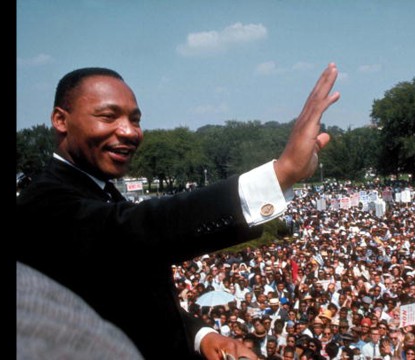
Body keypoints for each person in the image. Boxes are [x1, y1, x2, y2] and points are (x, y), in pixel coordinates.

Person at [17, 63, 340, 359]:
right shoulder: (42, 204)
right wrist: (281, 173)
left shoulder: (99, 190)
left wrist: (201, 336)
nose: (129, 132)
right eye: (108, 116)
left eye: (135, 119)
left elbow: (128, 302)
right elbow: (136, 231)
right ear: (61, 120)